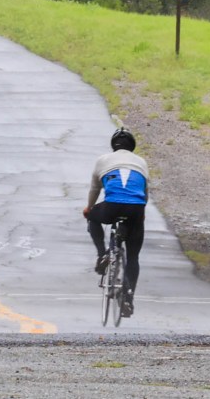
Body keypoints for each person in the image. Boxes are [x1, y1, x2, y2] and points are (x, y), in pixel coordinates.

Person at [84, 126, 149, 317]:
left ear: (113, 146)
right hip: (136, 208)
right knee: (134, 256)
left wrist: (89, 208)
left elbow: (95, 189)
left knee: (93, 217)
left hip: (111, 206)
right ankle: (128, 298)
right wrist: (141, 212)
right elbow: (145, 192)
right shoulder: (141, 162)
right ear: (132, 147)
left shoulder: (103, 160)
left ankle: (102, 254)